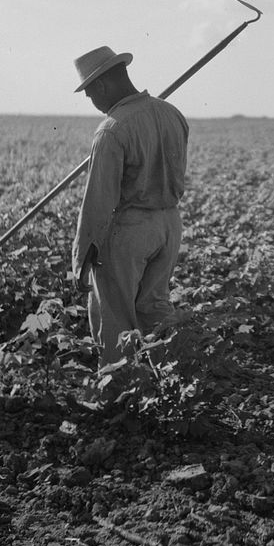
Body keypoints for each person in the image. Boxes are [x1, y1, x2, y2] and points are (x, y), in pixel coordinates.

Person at [71, 45, 190, 367]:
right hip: (169, 224)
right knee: (154, 307)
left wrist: (82, 254)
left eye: (89, 93)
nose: (90, 101)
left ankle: (118, 392)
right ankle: (173, 376)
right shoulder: (171, 113)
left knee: (114, 317)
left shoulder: (111, 129)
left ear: (102, 86)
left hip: (129, 231)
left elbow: (99, 200)